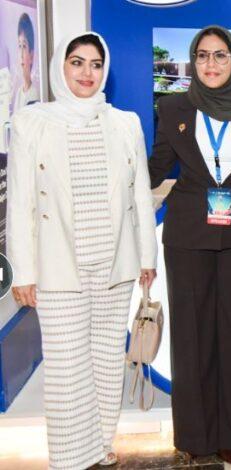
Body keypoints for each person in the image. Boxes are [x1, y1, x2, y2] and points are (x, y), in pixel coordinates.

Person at [7, 32, 157, 469]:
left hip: (115, 264)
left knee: (108, 360)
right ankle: (71, 458)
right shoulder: (32, 122)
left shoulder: (125, 122)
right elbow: (20, 202)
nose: (87, 72)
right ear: (61, 66)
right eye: (77, 62)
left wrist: (146, 258)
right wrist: (22, 272)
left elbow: (140, 195)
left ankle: (101, 443)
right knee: (67, 366)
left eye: (95, 64)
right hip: (58, 267)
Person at [147, 25, 231, 464]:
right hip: (187, 235)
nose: (211, 63)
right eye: (202, 55)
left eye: (220, 55)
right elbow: (157, 167)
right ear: (193, 61)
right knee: (191, 335)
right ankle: (193, 435)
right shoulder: (173, 107)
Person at [12, 13, 39, 113]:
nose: (21, 54)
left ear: (31, 55)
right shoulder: (19, 92)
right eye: (19, 46)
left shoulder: (34, 94)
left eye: (24, 46)